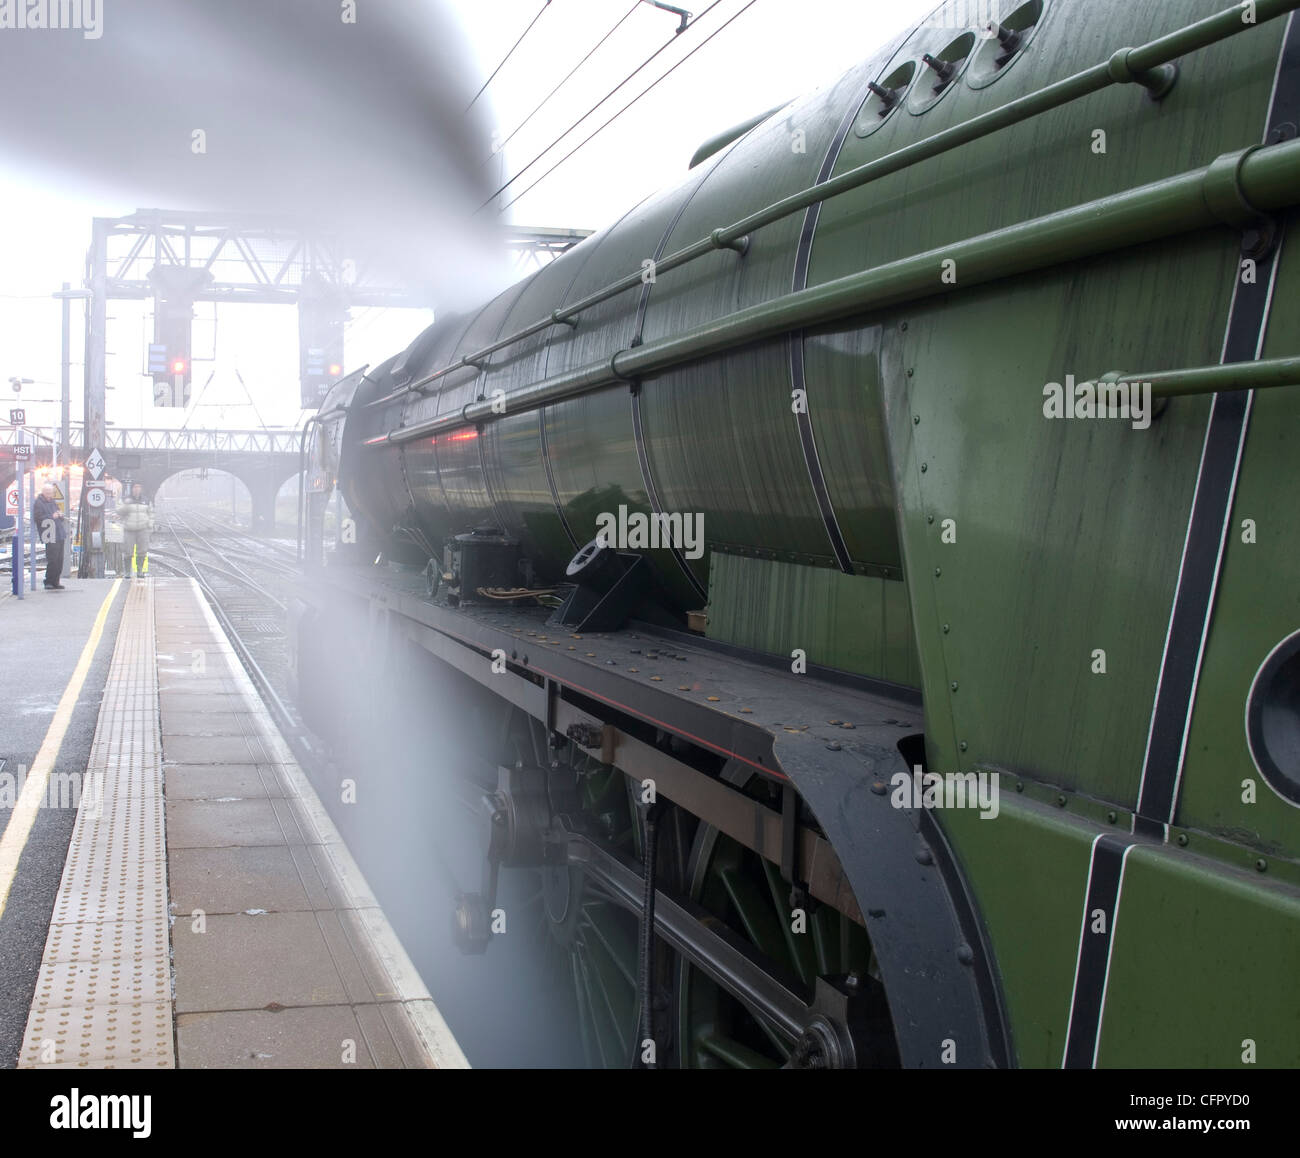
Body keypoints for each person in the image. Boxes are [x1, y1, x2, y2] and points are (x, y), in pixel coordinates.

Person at [33, 482, 66, 590]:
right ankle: (48, 581)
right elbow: (38, 518)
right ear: (43, 492)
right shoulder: (39, 503)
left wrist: (60, 515)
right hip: (50, 534)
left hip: (59, 533)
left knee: (59, 559)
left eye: (51, 492)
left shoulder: (53, 502)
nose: (49, 494)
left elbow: (58, 516)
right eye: (47, 492)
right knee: (53, 559)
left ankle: (56, 581)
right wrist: (52, 516)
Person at [118, 482, 155, 578]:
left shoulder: (146, 500)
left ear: (141, 489)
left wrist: (150, 525)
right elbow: (119, 512)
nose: (137, 489)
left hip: (143, 529)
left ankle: (140, 571)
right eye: (135, 487)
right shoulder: (125, 500)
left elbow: (151, 513)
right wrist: (126, 505)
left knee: (142, 551)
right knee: (127, 551)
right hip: (129, 529)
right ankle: (127, 572)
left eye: (139, 487)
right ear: (132, 489)